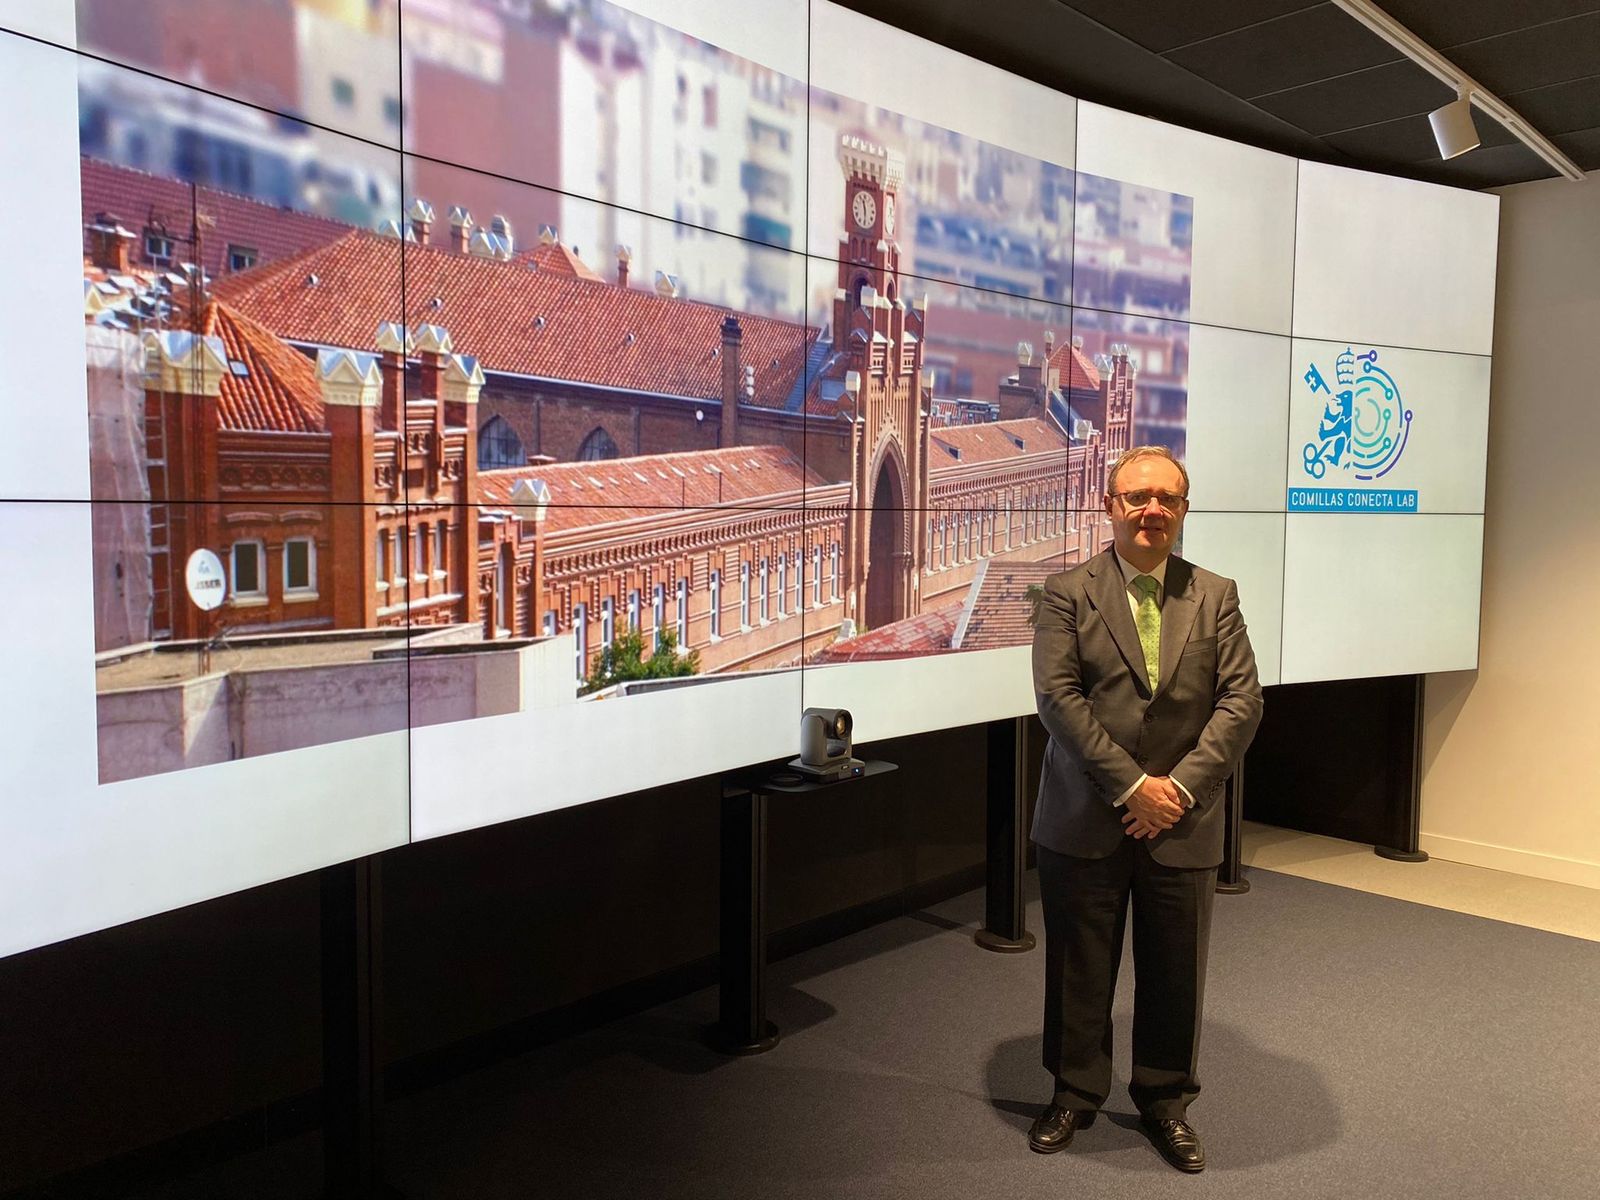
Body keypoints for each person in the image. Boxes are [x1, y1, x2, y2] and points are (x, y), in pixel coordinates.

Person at [1027, 445, 1263, 1173]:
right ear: (1110, 506)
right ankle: (1074, 1092)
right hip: (1087, 813)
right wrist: (1134, 788)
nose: (1152, 510)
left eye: (1167, 498)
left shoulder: (1215, 594)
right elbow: (1058, 700)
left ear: (1184, 510)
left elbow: (1242, 701)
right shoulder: (1065, 592)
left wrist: (1179, 790)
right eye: (1137, 497)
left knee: (1175, 971)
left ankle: (1165, 1102)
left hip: (1184, 820)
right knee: (1079, 967)